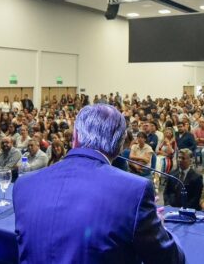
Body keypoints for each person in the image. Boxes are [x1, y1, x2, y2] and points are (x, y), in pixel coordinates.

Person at [13, 104, 185, 263]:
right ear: (119, 146)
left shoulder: (23, 185)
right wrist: (160, 227)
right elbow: (169, 259)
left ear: (75, 137)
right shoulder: (135, 191)